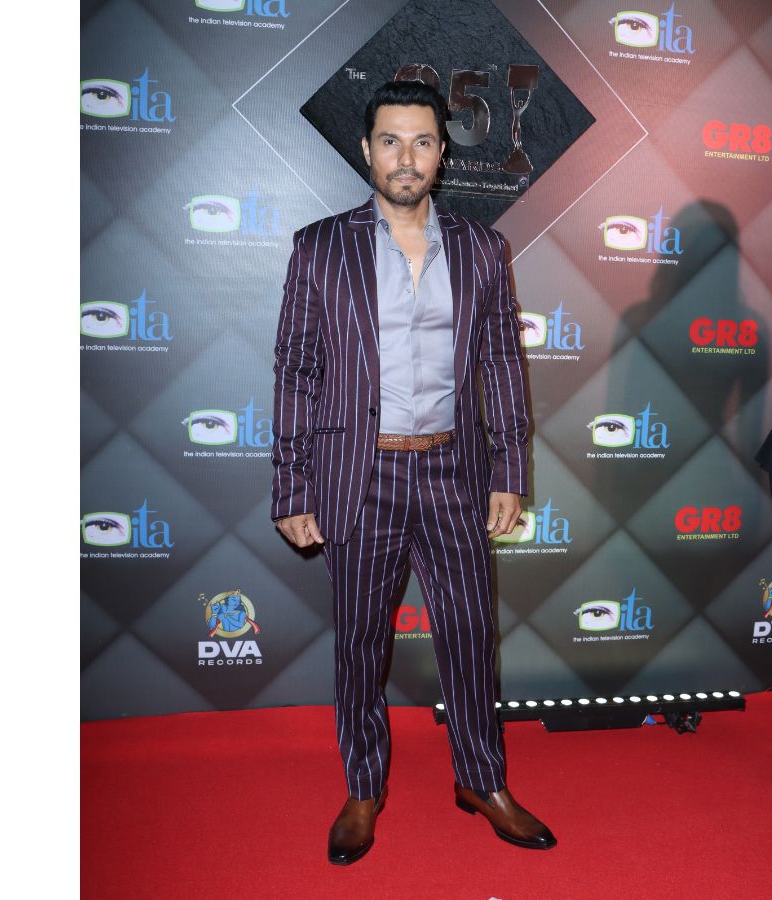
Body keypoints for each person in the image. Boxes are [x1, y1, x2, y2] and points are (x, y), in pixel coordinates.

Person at [270, 80, 556, 865]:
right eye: (391, 141)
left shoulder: (482, 248)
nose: (406, 157)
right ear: (367, 149)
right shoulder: (319, 247)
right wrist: (292, 485)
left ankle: (482, 781)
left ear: (441, 155)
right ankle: (364, 789)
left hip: (455, 472)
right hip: (359, 476)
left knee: (470, 637)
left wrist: (509, 467)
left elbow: (501, 363)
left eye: (423, 142)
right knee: (361, 644)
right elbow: (296, 372)